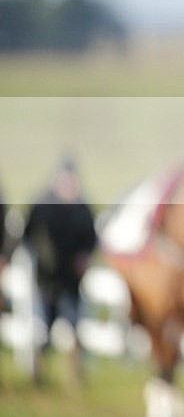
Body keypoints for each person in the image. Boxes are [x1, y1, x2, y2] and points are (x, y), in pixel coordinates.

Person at [23, 155, 97, 383]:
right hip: (45, 280)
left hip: (71, 282)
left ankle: (75, 374)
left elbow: (91, 239)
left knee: (75, 327)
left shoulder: (82, 208)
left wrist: (85, 256)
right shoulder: (42, 205)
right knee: (42, 329)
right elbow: (27, 236)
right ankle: (38, 372)